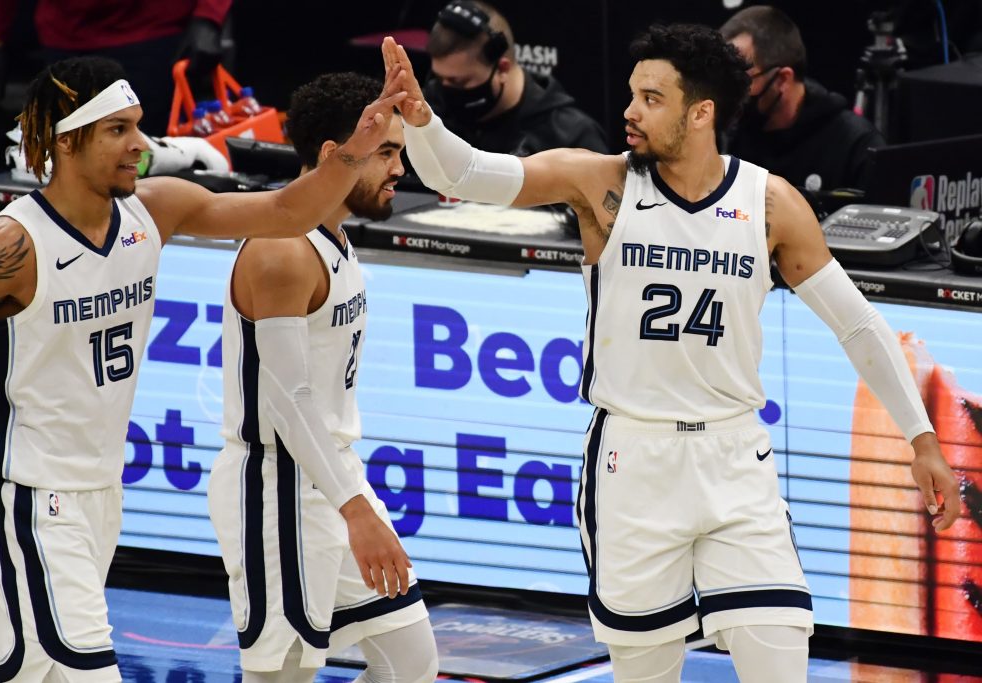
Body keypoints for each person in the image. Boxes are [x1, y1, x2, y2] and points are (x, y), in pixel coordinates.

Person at [382, 24, 960, 682]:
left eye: (651, 98)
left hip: (735, 457)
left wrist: (921, 438)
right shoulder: (601, 184)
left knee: (780, 658)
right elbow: (464, 173)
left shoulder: (768, 203)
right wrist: (422, 119)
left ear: (701, 112)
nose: (629, 111)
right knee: (646, 671)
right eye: (632, 94)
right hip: (634, 462)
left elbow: (856, 324)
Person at [0, 55, 407, 682]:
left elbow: (286, 213)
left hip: (101, 494)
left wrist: (358, 147)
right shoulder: (5, 248)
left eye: (138, 126)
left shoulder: (154, 210)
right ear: (66, 140)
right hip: (28, 495)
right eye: (118, 130)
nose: (140, 144)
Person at [207, 71, 437, 683]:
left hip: (327, 475)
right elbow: (290, 400)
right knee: (283, 676)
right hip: (277, 485)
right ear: (336, 155)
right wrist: (355, 508)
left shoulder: (332, 232)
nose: (399, 169)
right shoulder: (281, 249)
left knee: (411, 663)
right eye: (386, 152)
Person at [0, 0, 232, 133]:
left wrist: (208, 17)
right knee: (68, 157)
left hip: (150, 37)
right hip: (65, 39)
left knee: (147, 162)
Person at [720, 5, 885, 193]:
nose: (726, 92)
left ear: (782, 79)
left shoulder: (856, 145)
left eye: (740, 80)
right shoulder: (727, 138)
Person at [422, 0, 607, 156]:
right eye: (439, 78)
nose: (444, 90)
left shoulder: (571, 138)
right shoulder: (426, 113)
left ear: (502, 69)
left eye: (459, 82)